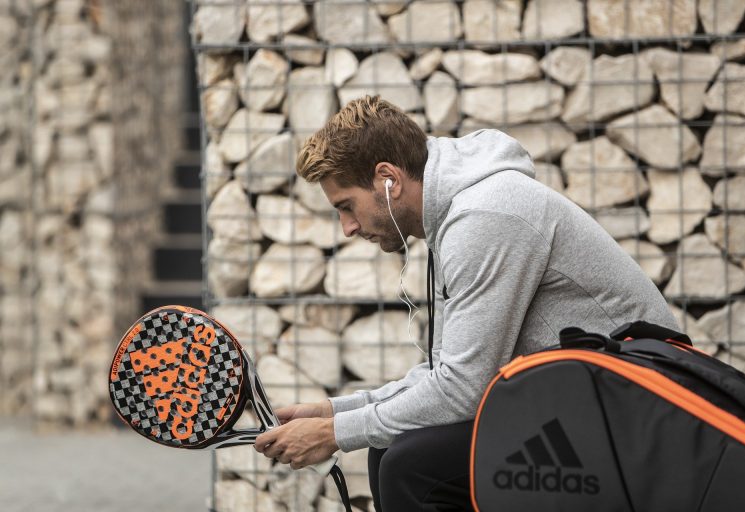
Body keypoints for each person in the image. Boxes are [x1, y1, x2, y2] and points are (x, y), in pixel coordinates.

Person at [253, 95, 679, 511]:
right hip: (587, 400)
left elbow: (462, 391)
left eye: (347, 207)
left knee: (412, 466)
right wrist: (333, 410)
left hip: (636, 411)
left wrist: (334, 433)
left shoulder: (484, 218)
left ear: (388, 179)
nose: (347, 227)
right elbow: (450, 375)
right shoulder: (460, 215)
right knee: (391, 450)